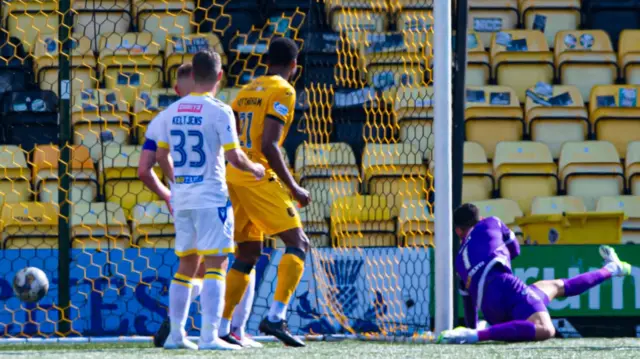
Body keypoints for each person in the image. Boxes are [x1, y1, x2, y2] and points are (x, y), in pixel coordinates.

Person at [145, 49, 265, 350]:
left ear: (193, 76)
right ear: (220, 76)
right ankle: (210, 336)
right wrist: (256, 168)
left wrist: (177, 183)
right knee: (217, 264)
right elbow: (235, 157)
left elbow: (160, 157)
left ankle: (176, 336)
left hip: (182, 199)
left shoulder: (168, 114)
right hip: (211, 197)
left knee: (185, 265)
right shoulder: (220, 110)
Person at [219, 37, 309, 348]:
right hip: (257, 175)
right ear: (294, 66)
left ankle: (222, 326)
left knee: (247, 253)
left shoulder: (247, 90)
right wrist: (294, 187)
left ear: (267, 61)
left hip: (234, 175)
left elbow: (229, 132)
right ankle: (276, 316)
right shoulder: (283, 90)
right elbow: (269, 145)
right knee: (298, 243)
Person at [437, 203, 632, 344]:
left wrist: (473, 326)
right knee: (546, 329)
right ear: (479, 219)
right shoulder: (491, 222)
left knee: (556, 286)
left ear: (458, 231)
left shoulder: (458, 262)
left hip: (489, 308)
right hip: (505, 285)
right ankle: (480, 335)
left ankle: (613, 268)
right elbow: (515, 250)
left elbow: (468, 304)